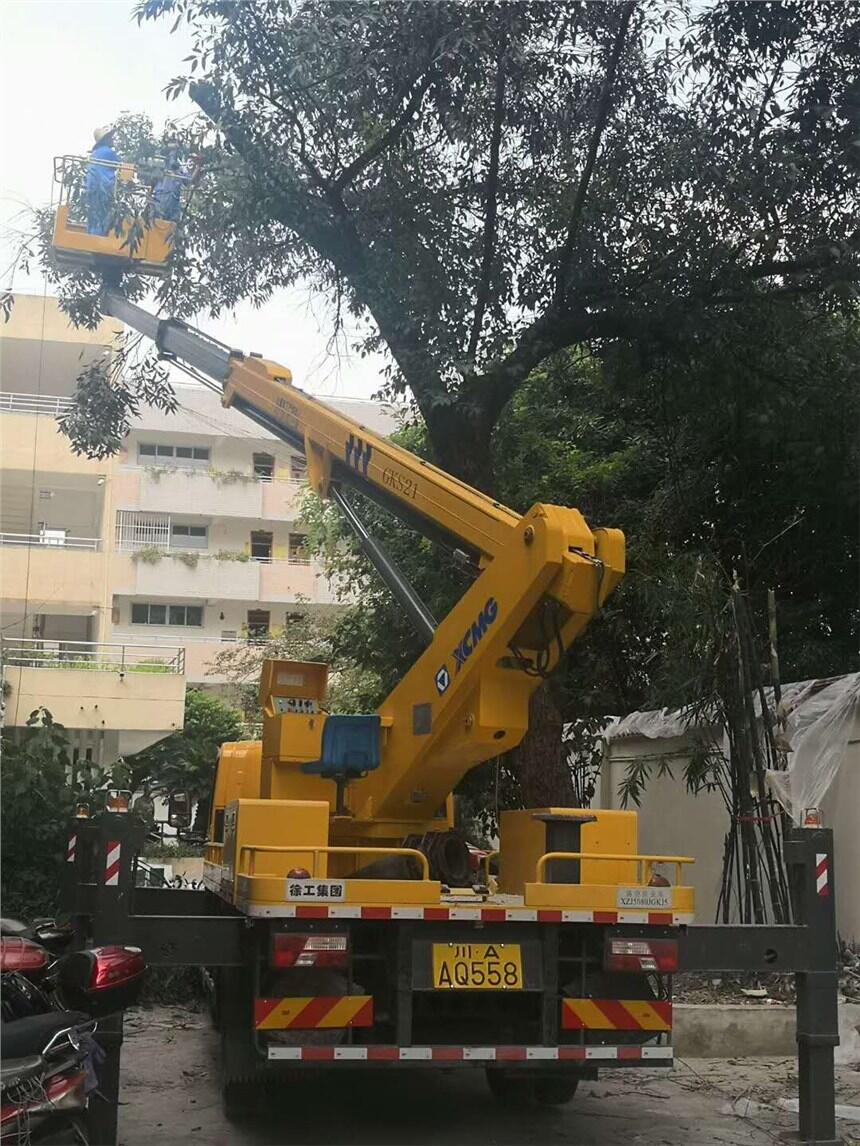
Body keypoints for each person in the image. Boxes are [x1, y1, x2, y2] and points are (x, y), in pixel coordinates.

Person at [87, 124, 120, 236]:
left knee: (94, 214)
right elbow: (119, 165)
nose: (113, 139)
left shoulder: (95, 153)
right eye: (110, 137)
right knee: (103, 215)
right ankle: (98, 236)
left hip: (93, 188)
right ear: (105, 140)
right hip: (103, 189)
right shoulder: (108, 152)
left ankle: (92, 233)